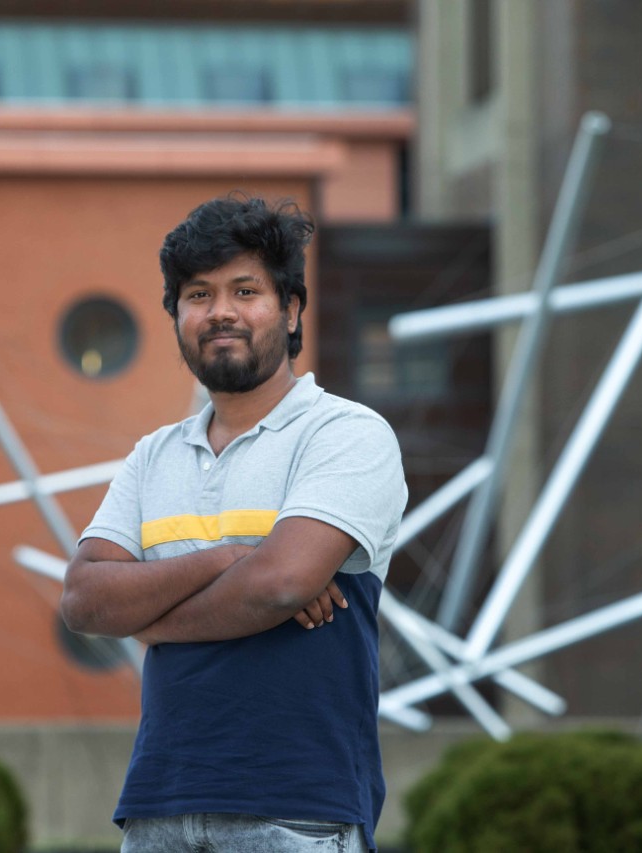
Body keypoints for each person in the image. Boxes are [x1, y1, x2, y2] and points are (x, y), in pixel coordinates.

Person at [60, 195, 407, 853]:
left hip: (298, 808)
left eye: (245, 290)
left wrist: (147, 615)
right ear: (177, 317)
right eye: (197, 294)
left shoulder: (346, 433)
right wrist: (225, 558)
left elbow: (279, 582)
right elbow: (82, 598)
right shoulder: (153, 455)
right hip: (158, 806)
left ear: (292, 309)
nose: (219, 310)